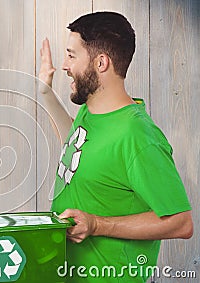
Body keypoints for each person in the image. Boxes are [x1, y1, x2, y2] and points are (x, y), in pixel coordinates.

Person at [39, 11, 193, 282]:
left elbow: (181, 222)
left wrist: (97, 224)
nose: (64, 65)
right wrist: (45, 94)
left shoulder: (138, 136)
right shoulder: (93, 111)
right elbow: (77, 147)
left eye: (72, 56)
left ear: (101, 62)